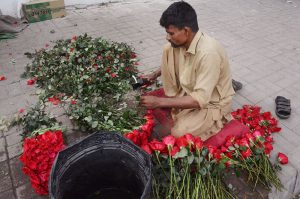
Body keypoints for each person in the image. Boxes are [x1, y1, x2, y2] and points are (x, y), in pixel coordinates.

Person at [140, 1, 237, 140]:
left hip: (211, 103)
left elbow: (200, 100)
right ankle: (178, 96)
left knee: (178, 133)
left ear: (186, 31)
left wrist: (159, 101)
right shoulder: (184, 41)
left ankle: (218, 120)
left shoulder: (208, 54)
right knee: (168, 47)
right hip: (192, 89)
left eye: (171, 33)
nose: (167, 37)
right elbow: (173, 58)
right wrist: (154, 74)